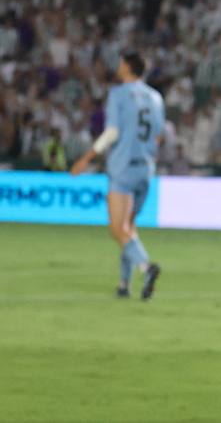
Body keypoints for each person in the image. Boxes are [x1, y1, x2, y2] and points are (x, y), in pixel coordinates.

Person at [70, 51, 165, 300]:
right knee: (128, 229)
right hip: (146, 168)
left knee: (117, 228)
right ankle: (124, 285)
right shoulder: (156, 98)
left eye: (121, 63)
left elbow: (112, 132)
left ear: (127, 68)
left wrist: (86, 158)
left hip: (123, 167)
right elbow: (158, 136)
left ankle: (146, 267)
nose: (118, 67)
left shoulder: (119, 94)